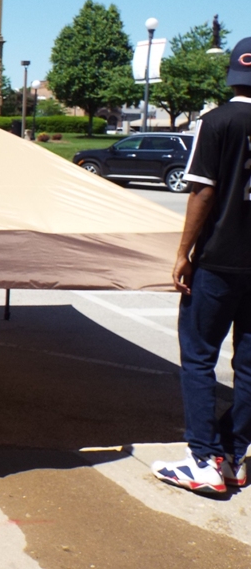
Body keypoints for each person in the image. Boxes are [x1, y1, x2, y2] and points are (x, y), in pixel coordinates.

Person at [151, 36, 251, 495]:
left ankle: (204, 459)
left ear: (231, 74)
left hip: (217, 260)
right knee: (248, 364)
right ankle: (233, 455)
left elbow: (203, 191)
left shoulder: (216, 121)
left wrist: (183, 254)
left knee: (198, 358)